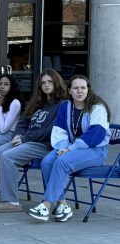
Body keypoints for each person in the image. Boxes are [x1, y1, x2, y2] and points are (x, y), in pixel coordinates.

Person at [0, 69, 67, 213]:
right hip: (26, 141)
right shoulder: (38, 103)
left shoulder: (63, 105)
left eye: (50, 82)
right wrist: (18, 135)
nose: (46, 85)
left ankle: (11, 201)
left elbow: (52, 130)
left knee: (7, 156)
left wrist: (26, 138)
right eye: (43, 83)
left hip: (44, 145)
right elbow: (22, 122)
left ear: (57, 83)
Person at [27, 75, 111, 222]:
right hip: (71, 148)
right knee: (46, 162)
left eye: (83, 87)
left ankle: (46, 205)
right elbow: (59, 131)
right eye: (76, 88)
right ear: (70, 90)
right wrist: (64, 147)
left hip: (95, 151)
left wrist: (71, 148)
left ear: (88, 89)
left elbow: (95, 136)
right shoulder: (66, 106)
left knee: (61, 162)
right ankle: (63, 205)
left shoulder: (97, 108)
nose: (80, 91)